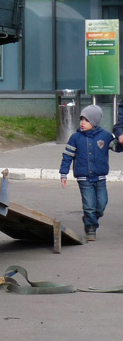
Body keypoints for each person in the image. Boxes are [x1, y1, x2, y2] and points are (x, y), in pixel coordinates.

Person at [60, 103, 112, 241]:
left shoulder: (105, 136)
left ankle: (91, 218)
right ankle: (90, 228)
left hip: (100, 178)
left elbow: (116, 146)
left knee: (101, 205)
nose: (82, 123)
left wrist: (120, 141)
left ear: (94, 122)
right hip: (84, 179)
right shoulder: (75, 138)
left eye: (86, 120)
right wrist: (63, 173)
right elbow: (67, 157)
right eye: (81, 119)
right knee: (89, 206)